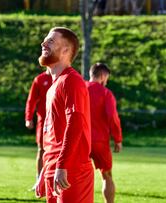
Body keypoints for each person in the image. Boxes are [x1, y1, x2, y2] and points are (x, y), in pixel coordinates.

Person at [34, 27, 93, 203]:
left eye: (50, 41)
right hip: (55, 168)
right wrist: (46, 169)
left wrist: (62, 165)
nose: (43, 43)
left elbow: (75, 123)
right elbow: (53, 134)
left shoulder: (71, 80)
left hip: (71, 169)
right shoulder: (54, 85)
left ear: (66, 50)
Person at [86, 63, 122, 203]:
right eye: (107, 78)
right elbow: (112, 117)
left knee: (73, 176)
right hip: (99, 141)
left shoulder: (80, 88)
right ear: (102, 76)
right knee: (106, 175)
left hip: (79, 140)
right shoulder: (106, 93)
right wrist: (118, 139)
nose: (106, 81)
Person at [25, 69, 52, 189]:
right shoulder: (40, 79)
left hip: (60, 121)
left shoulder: (63, 77)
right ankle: (39, 181)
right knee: (41, 150)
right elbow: (31, 100)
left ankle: (53, 180)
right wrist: (28, 118)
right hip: (44, 120)